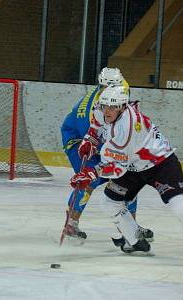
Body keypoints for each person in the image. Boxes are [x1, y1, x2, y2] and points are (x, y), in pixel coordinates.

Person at [70, 85, 183, 266]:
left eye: (113, 107)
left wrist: (92, 173)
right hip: (133, 166)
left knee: (179, 205)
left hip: (160, 163)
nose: (107, 110)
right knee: (109, 202)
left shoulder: (127, 130)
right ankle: (135, 240)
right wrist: (90, 139)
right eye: (105, 106)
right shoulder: (102, 107)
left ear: (122, 106)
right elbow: (96, 124)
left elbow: (117, 168)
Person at [60, 67, 153, 245]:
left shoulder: (120, 87)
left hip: (100, 140)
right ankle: (71, 222)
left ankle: (130, 226)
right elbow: (93, 136)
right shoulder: (91, 108)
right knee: (89, 179)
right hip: (78, 139)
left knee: (127, 179)